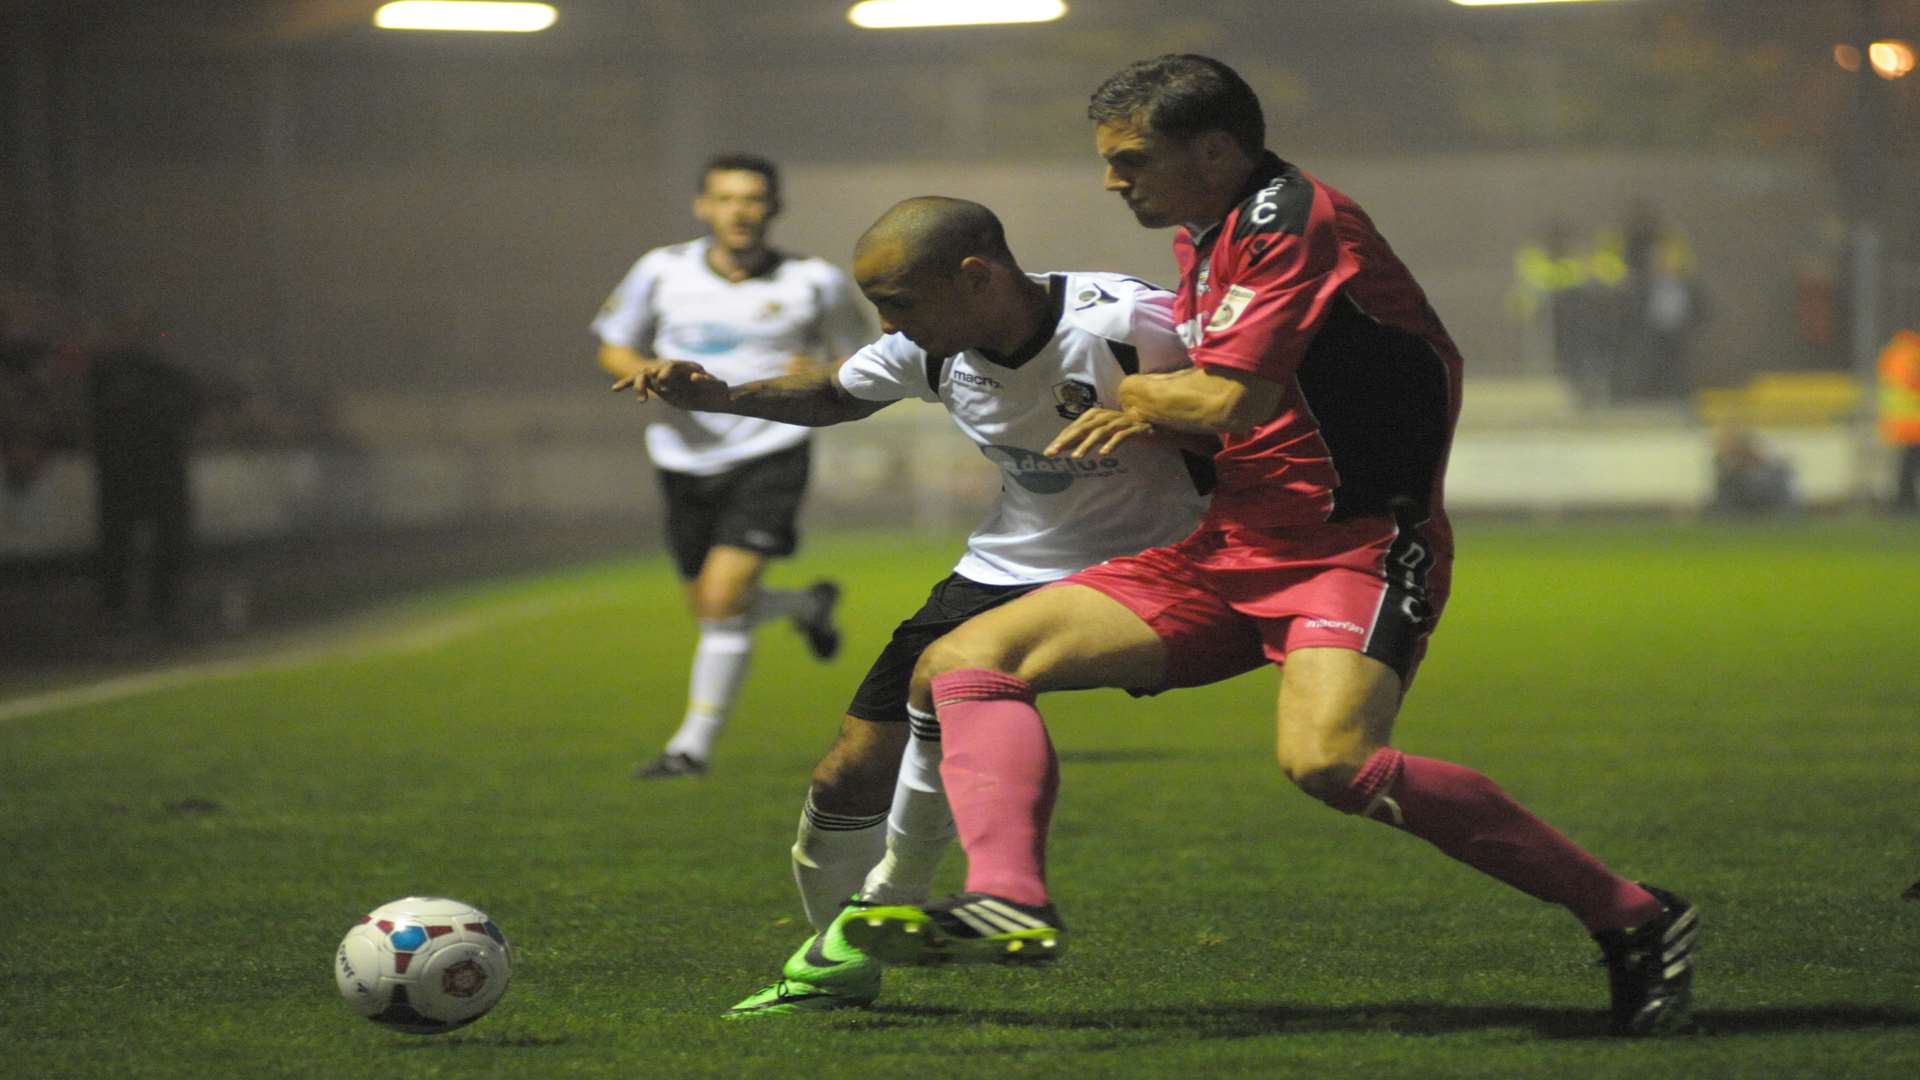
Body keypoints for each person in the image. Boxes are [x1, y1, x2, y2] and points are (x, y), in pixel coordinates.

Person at [843, 55, 1699, 1038]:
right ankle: (1008, 898)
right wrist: (1163, 410)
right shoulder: (1204, 238)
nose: (1113, 182)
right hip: (1230, 545)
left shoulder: (1290, 220)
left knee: (1332, 762)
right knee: (966, 662)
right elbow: (1228, 406)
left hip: (1359, 543)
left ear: (1215, 149)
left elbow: (1226, 397)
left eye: (1130, 160)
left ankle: (1634, 914)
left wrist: (1142, 399)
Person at [620, 196, 1217, 1016]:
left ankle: (913, 895)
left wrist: (1160, 422)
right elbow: (835, 394)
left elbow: (1252, 415)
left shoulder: (1128, 322)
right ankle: (840, 963)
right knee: (846, 775)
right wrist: (720, 396)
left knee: (956, 679)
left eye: (897, 301)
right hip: (1004, 565)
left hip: (1154, 570)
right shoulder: (933, 350)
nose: (885, 322)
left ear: (975, 278)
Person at [592, 153, 872, 778]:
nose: (739, 211)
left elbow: (862, 361)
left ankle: (690, 749)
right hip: (682, 455)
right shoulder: (660, 271)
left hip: (769, 449)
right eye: (725, 199)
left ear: (773, 207)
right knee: (712, 605)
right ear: (702, 206)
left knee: (723, 598)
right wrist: (647, 374)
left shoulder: (815, 281)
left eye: (752, 199)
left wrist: (821, 377)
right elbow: (613, 345)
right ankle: (806, 607)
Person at [87, 316, 199, 634]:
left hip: (162, 471)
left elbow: (192, 413)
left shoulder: (172, 375)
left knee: (168, 543)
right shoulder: (108, 372)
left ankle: (163, 613)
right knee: (117, 546)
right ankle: (114, 614)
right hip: (123, 473)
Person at [1879, 329, 1920, 512]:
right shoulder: (1909, 355)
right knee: (1909, 464)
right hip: (1912, 423)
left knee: (1907, 464)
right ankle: (1904, 502)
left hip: (1899, 421)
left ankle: (1904, 501)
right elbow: (1912, 383)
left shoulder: (1893, 353)